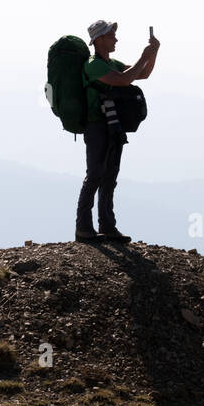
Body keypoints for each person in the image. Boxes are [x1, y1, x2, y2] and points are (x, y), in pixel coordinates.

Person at [75, 19, 160, 242]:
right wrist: (144, 55)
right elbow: (123, 80)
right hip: (96, 125)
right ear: (99, 39)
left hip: (113, 125)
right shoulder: (94, 64)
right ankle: (83, 228)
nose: (116, 38)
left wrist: (153, 53)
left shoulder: (111, 62)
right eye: (112, 35)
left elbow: (142, 74)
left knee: (110, 176)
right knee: (95, 174)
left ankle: (107, 226)